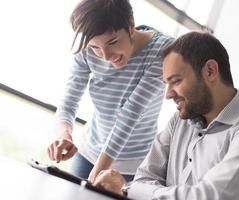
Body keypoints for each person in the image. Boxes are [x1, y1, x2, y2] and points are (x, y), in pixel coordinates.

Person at [92, 31, 239, 200]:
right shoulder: (179, 122)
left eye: (176, 81)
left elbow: (210, 197)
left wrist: (128, 189)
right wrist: (139, 189)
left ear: (210, 71)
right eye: (166, 84)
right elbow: (144, 178)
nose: (168, 94)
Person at [47, 0, 173, 182]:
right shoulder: (87, 45)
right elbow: (69, 100)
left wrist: (94, 178)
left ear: (131, 25)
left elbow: (130, 114)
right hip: (89, 152)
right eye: (95, 47)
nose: (105, 56)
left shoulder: (162, 50)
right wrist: (63, 134)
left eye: (112, 42)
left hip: (134, 165)